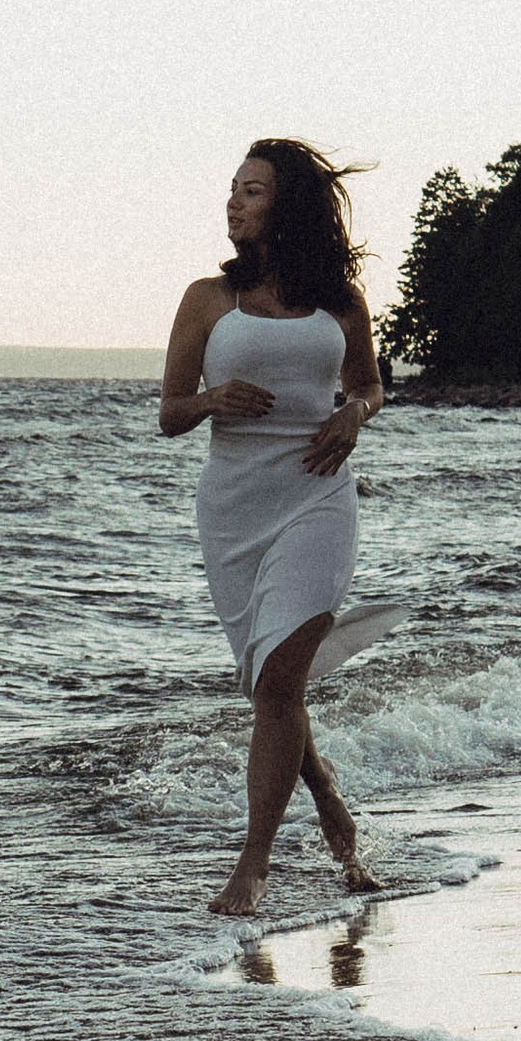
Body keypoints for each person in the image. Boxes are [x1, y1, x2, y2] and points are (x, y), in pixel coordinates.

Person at [160, 138, 392, 917]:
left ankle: (253, 864)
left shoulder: (340, 302)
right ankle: (324, 793)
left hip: (318, 498)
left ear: (287, 204)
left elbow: (369, 384)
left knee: (281, 681)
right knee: (273, 688)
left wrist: (354, 415)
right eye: (232, 189)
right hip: (234, 511)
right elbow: (169, 413)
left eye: (252, 191)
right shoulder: (208, 299)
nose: (234, 202)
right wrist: (212, 400)